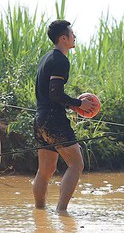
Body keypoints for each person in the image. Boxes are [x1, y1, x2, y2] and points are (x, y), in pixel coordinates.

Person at [33, 20, 97, 213]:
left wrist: (70, 105)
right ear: (63, 38)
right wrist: (80, 104)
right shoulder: (61, 60)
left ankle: (40, 213)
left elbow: (50, 95)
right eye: (72, 34)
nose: (74, 37)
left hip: (40, 120)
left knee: (45, 171)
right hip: (54, 120)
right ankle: (62, 212)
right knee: (76, 164)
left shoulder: (46, 58)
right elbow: (55, 94)